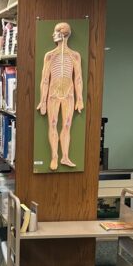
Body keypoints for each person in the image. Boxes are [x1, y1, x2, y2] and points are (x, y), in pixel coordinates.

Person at [36, 22, 83, 172]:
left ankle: (65, 157)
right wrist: (42, 101)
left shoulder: (75, 55)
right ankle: (55, 156)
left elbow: (78, 78)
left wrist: (80, 98)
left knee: (67, 125)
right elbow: (44, 79)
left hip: (69, 94)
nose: (53, 34)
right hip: (53, 94)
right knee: (53, 123)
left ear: (64, 34)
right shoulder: (50, 55)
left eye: (56, 31)